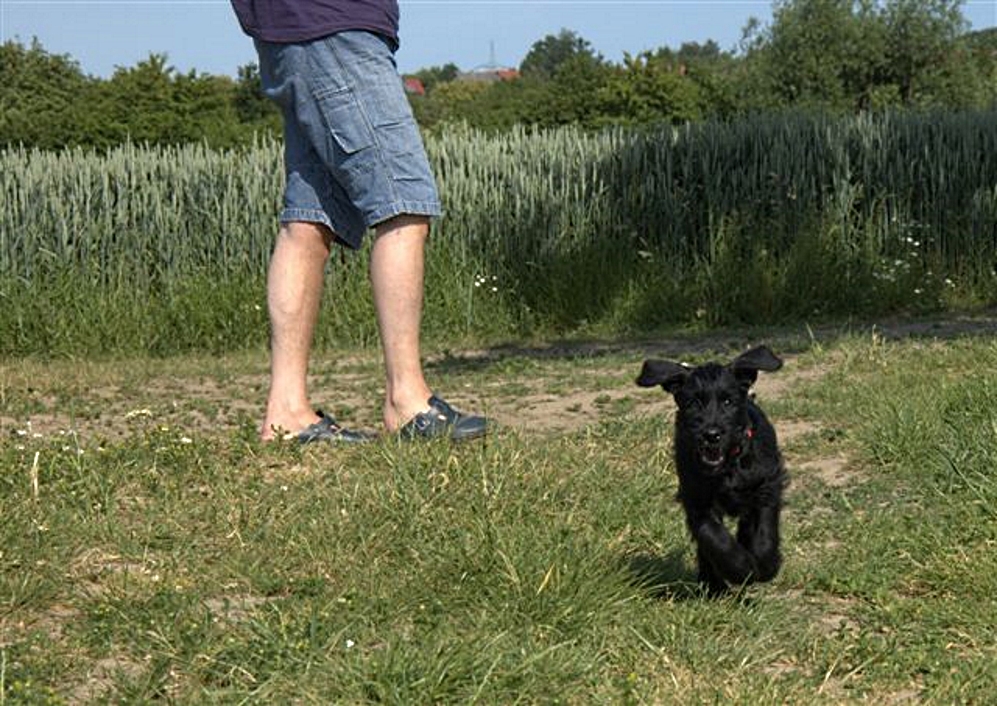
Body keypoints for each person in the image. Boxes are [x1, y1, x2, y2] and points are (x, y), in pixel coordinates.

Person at [229, 0, 487, 443]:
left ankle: (287, 412)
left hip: (292, 32)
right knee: (403, 205)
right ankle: (408, 401)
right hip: (335, 27)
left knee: (310, 220)